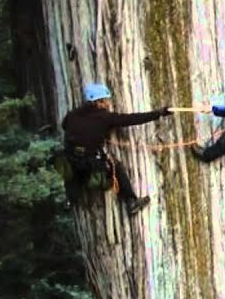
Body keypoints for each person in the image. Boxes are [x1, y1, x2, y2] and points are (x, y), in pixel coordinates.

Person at [60, 82, 171, 214]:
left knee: (75, 168)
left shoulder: (72, 114)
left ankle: (69, 201)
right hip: (90, 164)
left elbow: (64, 126)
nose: (107, 104)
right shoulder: (105, 118)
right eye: (105, 101)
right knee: (115, 165)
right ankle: (131, 201)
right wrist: (159, 113)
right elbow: (133, 119)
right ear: (98, 102)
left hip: (71, 160)